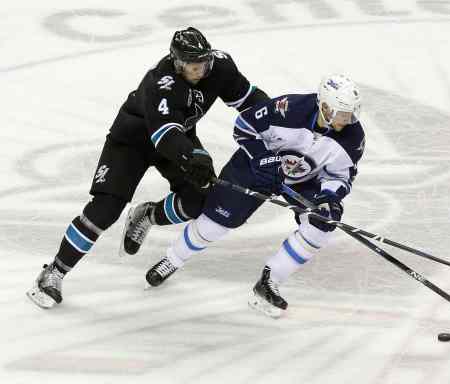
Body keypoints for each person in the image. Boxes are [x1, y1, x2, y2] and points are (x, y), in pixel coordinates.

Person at [26, 27, 270, 309]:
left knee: (199, 200)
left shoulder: (220, 66)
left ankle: (147, 215)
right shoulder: (161, 82)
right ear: (177, 63)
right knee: (105, 209)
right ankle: (53, 273)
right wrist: (192, 157)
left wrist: (281, 124)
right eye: (193, 66)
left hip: (178, 135)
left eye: (204, 63)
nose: (201, 70)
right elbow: (164, 135)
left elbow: (251, 100)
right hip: (133, 142)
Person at [142, 74, 365, 318]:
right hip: (255, 166)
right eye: (342, 113)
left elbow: (340, 177)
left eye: (351, 114)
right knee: (216, 222)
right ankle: (173, 260)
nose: (347, 120)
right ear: (324, 105)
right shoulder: (289, 109)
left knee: (320, 227)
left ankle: (270, 281)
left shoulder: (353, 137)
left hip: (304, 179)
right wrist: (263, 159)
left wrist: (328, 199)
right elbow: (244, 126)